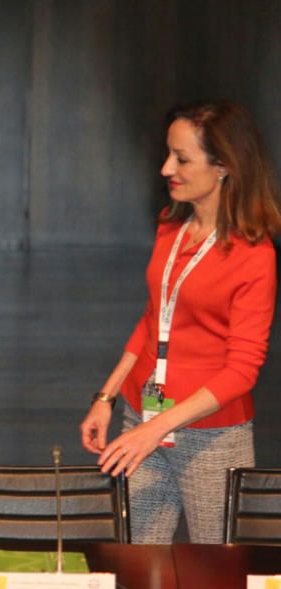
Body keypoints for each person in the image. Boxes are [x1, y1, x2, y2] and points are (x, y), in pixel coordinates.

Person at [80, 100, 281, 544]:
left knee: (216, 569)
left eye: (182, 158)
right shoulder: (170, 227)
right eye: (168, 153)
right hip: (143, 419)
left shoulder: (255, 256)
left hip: (211, 437)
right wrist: (106, 397)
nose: (166, 167)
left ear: (225, 167)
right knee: (138, 562)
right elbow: (154, 319)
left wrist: (158, 428)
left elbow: (243, 370)